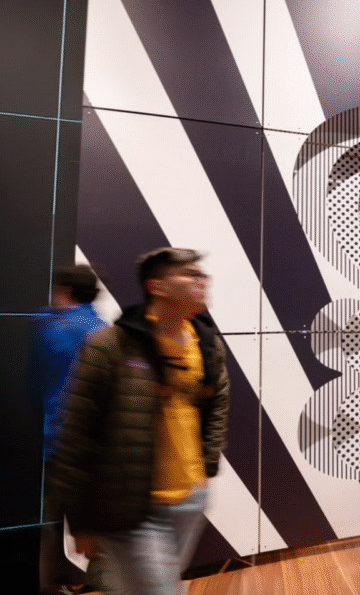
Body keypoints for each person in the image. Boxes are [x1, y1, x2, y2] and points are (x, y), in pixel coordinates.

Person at [51, 247, 230, 595]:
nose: (201, 281)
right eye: (188, 274)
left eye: (201, 274)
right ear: (157, 286)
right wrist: (82, 522)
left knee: (137, 588)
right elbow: (76, 436)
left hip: (190, 501)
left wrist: (205, 467)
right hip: (133, 508)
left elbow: (217, 404)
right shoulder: (110, 348)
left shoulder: (207, 344)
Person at [29, 266, 107, 592]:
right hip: (98, 442)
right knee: (102, 519)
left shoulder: (50, 329)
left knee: (51, 521)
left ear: (66, 291)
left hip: (58, 442)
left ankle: (51, 587)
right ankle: (101, 583)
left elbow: (34, 388)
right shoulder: (103, 330)